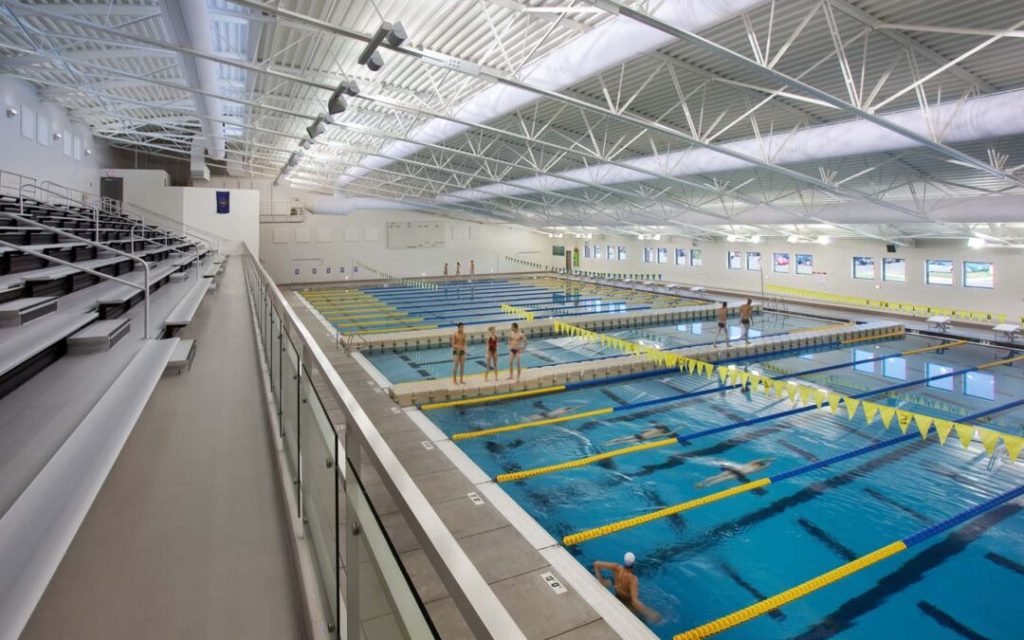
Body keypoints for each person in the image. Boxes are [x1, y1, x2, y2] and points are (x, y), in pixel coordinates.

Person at [593, 553, 662, 623]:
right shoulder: (633, 579)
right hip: (627, 603)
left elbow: (596, 564)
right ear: (633, 563)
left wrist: (601, 581)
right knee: (642, 621)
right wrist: (651, 614)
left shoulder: (615, 567)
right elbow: (635, 602)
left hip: (617, 595)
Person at [695, 458, 773, 489]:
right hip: (740, 474)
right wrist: (770, 462)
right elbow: (766, 467)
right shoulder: (758, 469)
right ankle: (706, 485)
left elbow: (759, 460)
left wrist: (768, 459)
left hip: (735, 469)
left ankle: (702, 483)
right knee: (722, 480)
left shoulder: (751, 463)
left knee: (717, 476)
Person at [604, 425, 676, 447]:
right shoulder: (658, 432)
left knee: (622, 440)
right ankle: (609, 443)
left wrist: (679, 428)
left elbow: (669, 434)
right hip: (640, 437)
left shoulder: (656, 431)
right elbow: (668, 434)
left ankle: (608, 443)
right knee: (623, 440)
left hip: (640, 437)